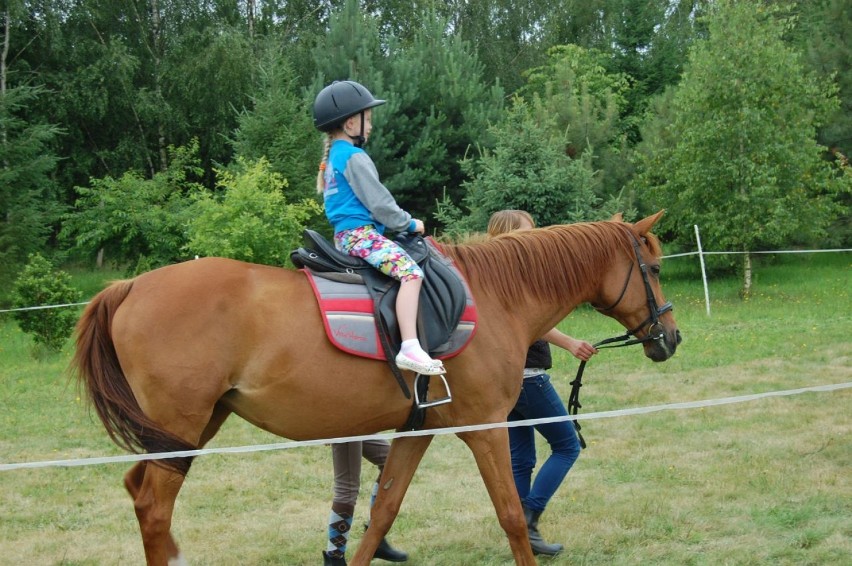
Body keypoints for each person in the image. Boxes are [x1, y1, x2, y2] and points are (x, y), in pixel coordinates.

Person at [313, 80, 444, 376]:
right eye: (367, 119)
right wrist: (410, 222)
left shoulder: (334, 157)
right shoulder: (354, 157)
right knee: (411, 273)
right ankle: (410, 346)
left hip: (343, 238)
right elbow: (381, 204)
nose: (370, 126)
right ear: (350, 123)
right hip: (362, 236)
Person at [487, 210, 598, 556]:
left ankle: (521, 533)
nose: (534, 239)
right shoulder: (511, 276)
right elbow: (535, 323)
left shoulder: (491, 275)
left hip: (506, 380)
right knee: (568, 446)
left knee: (520, 459)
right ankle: (531, 516)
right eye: (526, 233)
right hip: (528, 376)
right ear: (505, 235)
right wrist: (570, 343)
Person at [323, 440, 408, 565]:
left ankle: (375, 540)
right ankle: (335, 559)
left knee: (392, 464)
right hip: (345, 425)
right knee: (347, 488)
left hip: (359, 424)